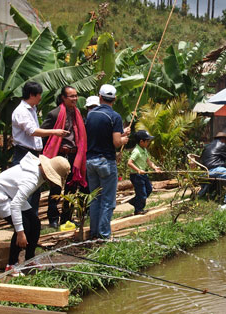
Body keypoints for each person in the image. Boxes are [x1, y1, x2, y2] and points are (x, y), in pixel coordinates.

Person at [0, 153, 70, 277]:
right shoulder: (31, 180)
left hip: (11, 193)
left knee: (35, 223)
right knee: (24, 225)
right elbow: (15, 205)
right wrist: (20, 233)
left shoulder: (39, 171)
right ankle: (11, 265)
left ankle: (29, 260)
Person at [11, 81, 69, 214]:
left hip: (33, 153)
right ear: (32, 95)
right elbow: (32, 131)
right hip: (24, 153)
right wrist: (54, 132)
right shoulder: (21, 111)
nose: (41, 98)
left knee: (35, 188)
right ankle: (24, 220)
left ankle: (33, 218)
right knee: (26, 187)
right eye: (39, 95)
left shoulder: (32, 109)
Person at [85, 84, 130, 239]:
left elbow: (99, 135)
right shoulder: (115, 116)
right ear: (114, 99)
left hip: (90, 161)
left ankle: (94, 232)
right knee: (107, 200)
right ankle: (104, 234)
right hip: (105, 162)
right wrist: (124, 139)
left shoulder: (90, 115)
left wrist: (121, 134)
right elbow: (116, 142)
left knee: (95, 198)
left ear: (100, 97)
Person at [41, 86, 87, 229]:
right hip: (59, 155)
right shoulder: (54, 114)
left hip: (74, 155)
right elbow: (44, 135)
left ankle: (66, 218)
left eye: (76, 96)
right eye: (71, 96)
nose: (74, 99)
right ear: (63, 98)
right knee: (55, 187)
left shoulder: (77, 113)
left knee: (71, 188)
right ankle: (53, 218)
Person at [200, 132, 226, 211]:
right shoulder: (222, 145)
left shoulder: (208, 146)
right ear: (223, 139)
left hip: (205, 171)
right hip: (213, 170)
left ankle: (224, 197)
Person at [127, 130, 162, 215]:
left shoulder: (144, 150)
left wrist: (155, 168)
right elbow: (129, 163)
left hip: (143, 174)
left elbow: (148, 161)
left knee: (149, 189)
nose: (148, 143)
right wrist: (138, 170)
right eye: (147, 141)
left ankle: (134, 201)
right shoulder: (136, 151)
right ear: (141, 142)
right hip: (136, 176)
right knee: (142, 193)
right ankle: (138, 209)